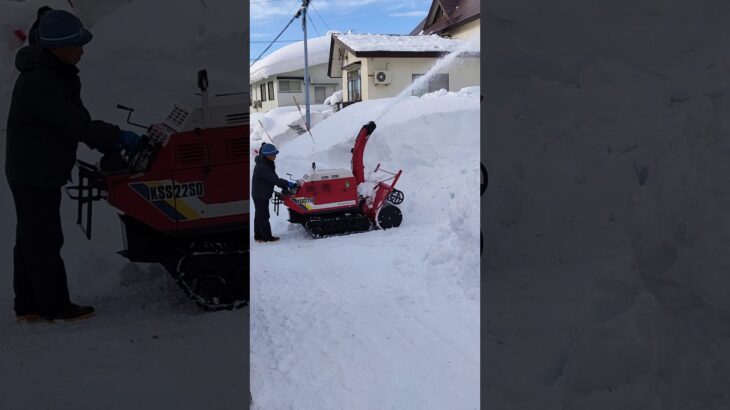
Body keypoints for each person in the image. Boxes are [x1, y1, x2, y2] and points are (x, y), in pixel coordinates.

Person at [5, 9, 142, 322]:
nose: (82, 50)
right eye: (76, 45)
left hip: (34, 167)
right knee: (44, 238)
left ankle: (28, 305)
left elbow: (73, 119)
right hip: (34, 172)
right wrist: (115, 137)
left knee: (30, 236)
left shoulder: (51, 71)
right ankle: (54, 306)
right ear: (56, 48)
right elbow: (74, 123)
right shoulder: (40, 82)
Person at [252, 143, 295, 243]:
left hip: (260, 193)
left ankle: (258, 236)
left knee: (259, 215)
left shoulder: (267, 163)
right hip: (260, 195)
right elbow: (274, 179)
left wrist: (284, 184)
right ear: (267, 155)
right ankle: (266, 237)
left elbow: (273, 178)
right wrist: (287, 184)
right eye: (273, 155)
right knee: (263, 216)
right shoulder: (263, 166)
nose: (275, 156)